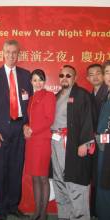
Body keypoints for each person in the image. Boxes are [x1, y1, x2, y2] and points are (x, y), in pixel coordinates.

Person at [0, 39, 32, 220]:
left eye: (15, 52)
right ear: (2, 53)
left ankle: (13, 206)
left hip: (19, 130)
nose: (12, 56)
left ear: (18, 54)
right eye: (8, 52)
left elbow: (31, 104)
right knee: (1, 171)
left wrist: (27, 124)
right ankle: (1, 210)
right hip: (0, 132)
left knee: (16, 169)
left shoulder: (26, 75)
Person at [51, 65, 94, 220]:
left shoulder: (82, 95)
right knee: (59, 180)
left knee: (75, 182)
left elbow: (88, 119)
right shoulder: (56, 96)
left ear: (75, 78)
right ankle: (64, 216)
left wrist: (85, 142)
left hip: (73, 143)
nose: (64, 78)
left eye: (68, 75)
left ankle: (80, 217)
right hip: (55, 143)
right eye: (61, 75)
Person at [23, 69, 56, 220]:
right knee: (35, 177)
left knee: (43, 178)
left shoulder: (49, 96)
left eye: (41, 79)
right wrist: (26, 127)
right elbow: (29, 120)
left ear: (45, 81)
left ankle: (43, 213)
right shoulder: (31, 98)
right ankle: (37, 210)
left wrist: (32, 130)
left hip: (42, 141)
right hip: (31, 142)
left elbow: (49, 119)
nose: (38, 83)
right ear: (31, 82)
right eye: (35, 80)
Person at [86, 63, 108, 218]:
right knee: (96, 177)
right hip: (95, 143)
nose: (96, 76)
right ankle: (95, 210)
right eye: (91, 74)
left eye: (99, 73)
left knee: (104, 179)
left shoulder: (106, 93)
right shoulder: (89, 95)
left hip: (104, 144)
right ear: (87, 78)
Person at [95, 60, 110, 220]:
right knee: (102, 183)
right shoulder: (106, 94)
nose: (109, 76)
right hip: (103, 148)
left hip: (107, 147)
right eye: (107, 72)